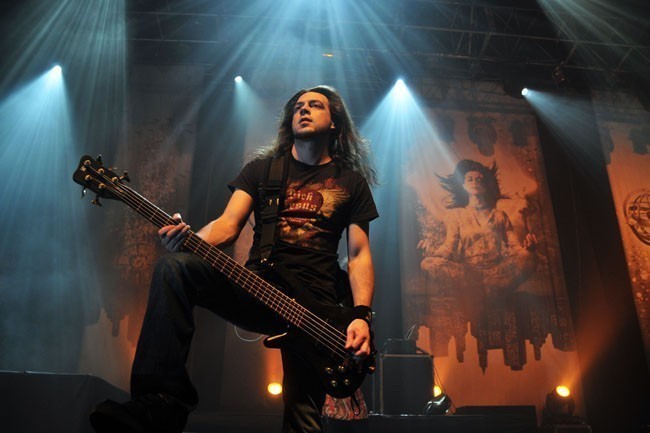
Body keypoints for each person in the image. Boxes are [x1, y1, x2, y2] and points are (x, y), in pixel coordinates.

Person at [89, 85, 378, 433]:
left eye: (315, 105)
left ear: (335, 123)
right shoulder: (262, 171)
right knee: (175, 267)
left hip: (317, 312)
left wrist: (361, 316)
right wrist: (187, 240)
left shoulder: (351, 182)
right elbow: (227, 226)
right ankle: (160, 402)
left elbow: (358, 255)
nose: (303, 109)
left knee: (303, 419)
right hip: (260, 290)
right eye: (298, 106)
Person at [419, 159, 536, 320]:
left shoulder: (499, 216)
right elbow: (448, 249)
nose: (475, 182)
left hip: (497, 273)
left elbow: (515, 247)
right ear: (463, 185)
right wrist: (430, 251)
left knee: (528, 258)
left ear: (486, 185)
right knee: (427, 264)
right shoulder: (456, 214)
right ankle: (486, 293)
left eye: (479, 179)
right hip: (469, 274)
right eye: (470, 179)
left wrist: (528, 248)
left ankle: (483, 292)